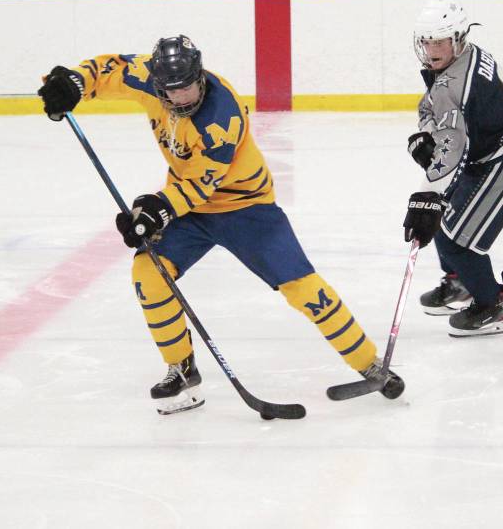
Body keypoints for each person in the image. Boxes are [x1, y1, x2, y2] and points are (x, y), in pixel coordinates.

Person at [36, 35, 402, 414]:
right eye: (172, 91)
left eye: (189, 86)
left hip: (246, 208)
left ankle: (369, 363)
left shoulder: (219, 115)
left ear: (200, 75)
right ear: (158, 84)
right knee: (147, 273)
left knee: (303, 288)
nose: (182, 97)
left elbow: (200, 183)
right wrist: (75, 83)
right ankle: (181, 369)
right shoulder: (150, 77)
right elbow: (110, 69)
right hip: (190, 212)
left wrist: (156, 209)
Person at [404, 0, 503, 336]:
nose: (430, 49)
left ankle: (492, 305)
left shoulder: (452, 85)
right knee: (444, 216)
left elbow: (451, 152)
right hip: (500, 147)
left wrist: (425, 195)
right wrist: (428, 135)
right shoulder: (465, 56)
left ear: (456, 38)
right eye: (426, 41)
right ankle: (460, 282)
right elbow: (441, 115)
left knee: (458, 238)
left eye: (438, 41)